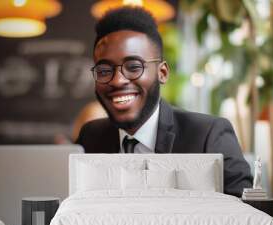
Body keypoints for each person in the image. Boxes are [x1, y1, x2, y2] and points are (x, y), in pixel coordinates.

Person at [75, 7, 252, 197]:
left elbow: (247, 216)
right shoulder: (91, 137)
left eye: (134, 67)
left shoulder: (209, 136)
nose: (118, 80)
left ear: (162, 73)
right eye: (104, 71)